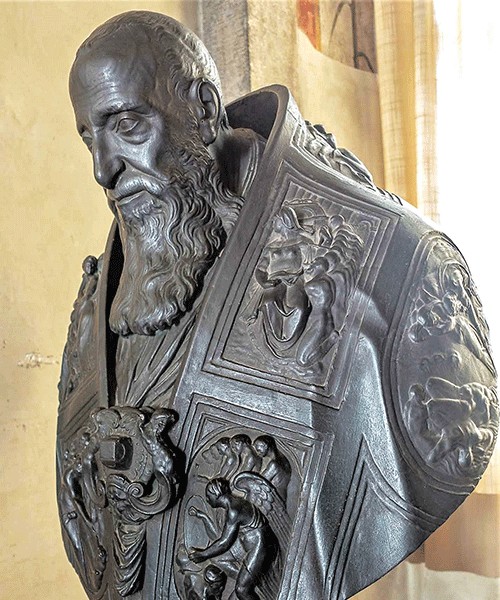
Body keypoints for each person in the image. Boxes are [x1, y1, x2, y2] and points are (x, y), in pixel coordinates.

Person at [57, 10, 497, 600]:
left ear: (205, 110)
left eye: (129, 125)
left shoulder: (394, 259)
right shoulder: (99, 301)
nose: (102, 171)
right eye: (91, 137)